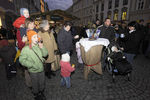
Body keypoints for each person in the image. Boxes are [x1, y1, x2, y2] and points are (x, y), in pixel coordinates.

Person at [19, 30, 48, 100]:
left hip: (41, 68)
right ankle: (36, 94)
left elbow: (45, 54)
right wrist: (31, 65)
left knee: (42, 81)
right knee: (35, 83)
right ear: (30, 38)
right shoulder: (26, 49)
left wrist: (42, 47)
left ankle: (41, 92)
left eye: (36, 37)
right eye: (34, 37)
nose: (36, 39)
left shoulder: (39, 46)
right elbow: (21, 60)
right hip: (33, 70)